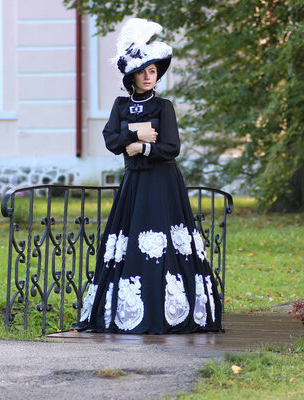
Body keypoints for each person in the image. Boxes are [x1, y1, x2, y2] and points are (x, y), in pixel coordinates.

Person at [72, 18, 222, 334]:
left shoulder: (165, 106)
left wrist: (139, 148)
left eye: (152, 71)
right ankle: (130, 313)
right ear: (132, 78)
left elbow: (171, 147)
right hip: (135, 186)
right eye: (142, 72)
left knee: (166, 244)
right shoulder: (120, 104)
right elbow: (111, 139)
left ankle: (173, 312)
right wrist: (135, 134)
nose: (148, 77)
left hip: (164, 184)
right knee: (132, 245)